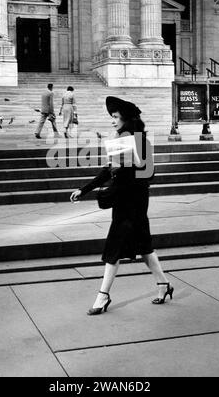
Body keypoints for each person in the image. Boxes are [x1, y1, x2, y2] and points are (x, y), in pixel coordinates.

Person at [70, 96, 174, 315]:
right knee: (145, 248)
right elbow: (108, 171)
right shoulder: (120, 141)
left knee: (114, 250)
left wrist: (135, 166)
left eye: (116, 117)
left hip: (134, 203)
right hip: (123, 202)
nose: (113, 121)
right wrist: (84, 189)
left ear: (126, 118)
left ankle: (102, 296)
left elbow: (150, 174)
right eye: (112, 117)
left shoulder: (141, 141)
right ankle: (164, 285)